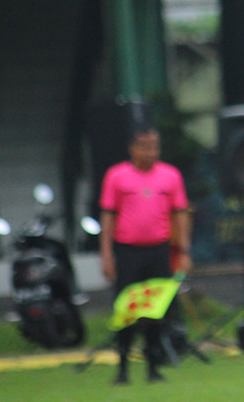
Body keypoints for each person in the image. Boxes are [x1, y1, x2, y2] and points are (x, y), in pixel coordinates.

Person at [99, 127, 191, 384]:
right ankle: (123, 368)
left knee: (155, 311)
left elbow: (180, 214)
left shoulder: (170, 176)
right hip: (128, 252)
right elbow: (108, 216)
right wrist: (106, 254)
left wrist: (183, 251)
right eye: (145, 147)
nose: (151, 152)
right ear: (132, 148)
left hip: (159, 251)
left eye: (155, 147)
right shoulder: (116, 176)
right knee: (126, 310)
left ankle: (153, 367)